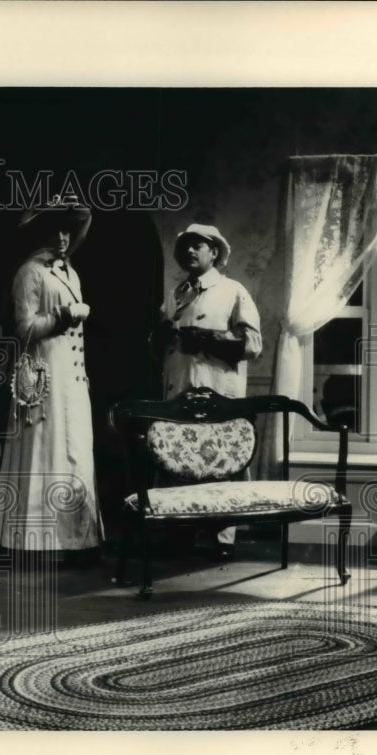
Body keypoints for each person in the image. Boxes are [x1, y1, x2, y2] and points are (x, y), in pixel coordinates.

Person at [0, 195, 103, 561]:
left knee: (74, 451)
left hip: (72, 377)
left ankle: (74, 540)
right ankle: (36, 542)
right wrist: (63, 317)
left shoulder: (69, 271)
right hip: (43, 374)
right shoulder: (31, 272)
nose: (61, 236)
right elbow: (23, 329)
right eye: (52, 228)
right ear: (39, 232)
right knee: (45, 449)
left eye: (66, 229)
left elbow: (86, 217)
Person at [151, 223, 263, 556]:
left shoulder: (232, 291)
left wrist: (207, 339)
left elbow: (253, 345)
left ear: (214, 252)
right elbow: (162, 348)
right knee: (178, 459)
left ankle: (222, 537)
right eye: (184, 245)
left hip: (217, 390)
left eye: (197, 245)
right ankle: (180, 532)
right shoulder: (177, 294)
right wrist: (162, 334)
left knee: (220, 458)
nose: (189, 251)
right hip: (179, 387)